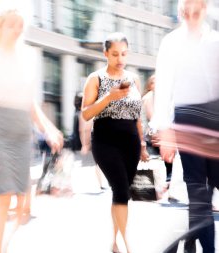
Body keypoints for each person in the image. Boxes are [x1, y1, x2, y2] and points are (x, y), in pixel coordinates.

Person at [0, 1, 63, 252]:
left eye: (20, 26)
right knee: (3, 199)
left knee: (25, 206)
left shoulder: (25, 58)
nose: (16, 30)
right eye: (11, 25)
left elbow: (30, 103)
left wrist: (48, 128)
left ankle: (8, 244)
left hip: (22, 134)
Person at [151, 0, 219, 252]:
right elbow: (165, 85)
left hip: (215, 121)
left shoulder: (215, 41)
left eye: (196, 13)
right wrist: (165, 130)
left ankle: (190, 239)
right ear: (180, 13)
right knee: (199, 193)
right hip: (187, 121)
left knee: (208, 188)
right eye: (186, 13)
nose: (191, 18)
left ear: (204, 11)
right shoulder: (171, 42)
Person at [81, 32, 148, 253]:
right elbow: (86, 114)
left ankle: (115, 243)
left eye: (124, 54)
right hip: (105, 140)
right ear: (105, 54)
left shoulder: (134, 79)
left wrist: (143, 144)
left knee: (120, 192)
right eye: (115, 54)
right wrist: (109, 97)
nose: (120, 59)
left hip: (131, 142)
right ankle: (130, 245)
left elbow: (138, 116)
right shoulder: (96, 78)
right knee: (121, 189)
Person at [142, 75, 173, 199]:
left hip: (152, 132)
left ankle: (162, 189)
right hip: (151, 133)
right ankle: (157, 190)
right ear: (150, 85)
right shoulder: (149, 96)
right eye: (154, 83)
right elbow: (152, 117)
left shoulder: (155, 97)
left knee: (163, 161)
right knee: (159, 161)